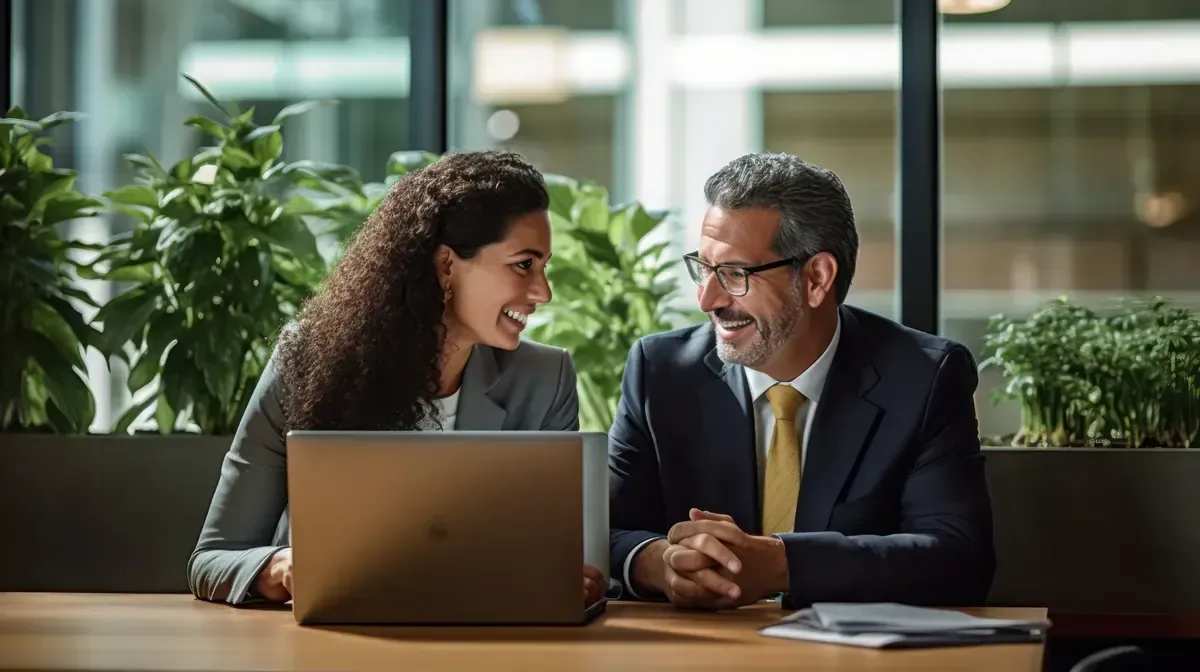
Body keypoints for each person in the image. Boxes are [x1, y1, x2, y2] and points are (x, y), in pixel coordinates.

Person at [188, 150, 606, 607]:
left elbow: (554, 560)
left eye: (543, 267)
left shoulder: (546, 381)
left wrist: (567, 578)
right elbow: (213, 559)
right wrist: (282, 568)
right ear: (447, 264)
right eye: (523, 264)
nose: (542, 291)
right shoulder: (307, 362)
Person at [608, 153, 995, 610]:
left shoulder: (924, 377)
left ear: (816, 278)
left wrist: (780, 563)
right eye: (704, 268)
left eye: (734, 274)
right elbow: (601, 531)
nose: (706, 299)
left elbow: (957, 558)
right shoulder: (660, 370)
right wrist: (660, 562)